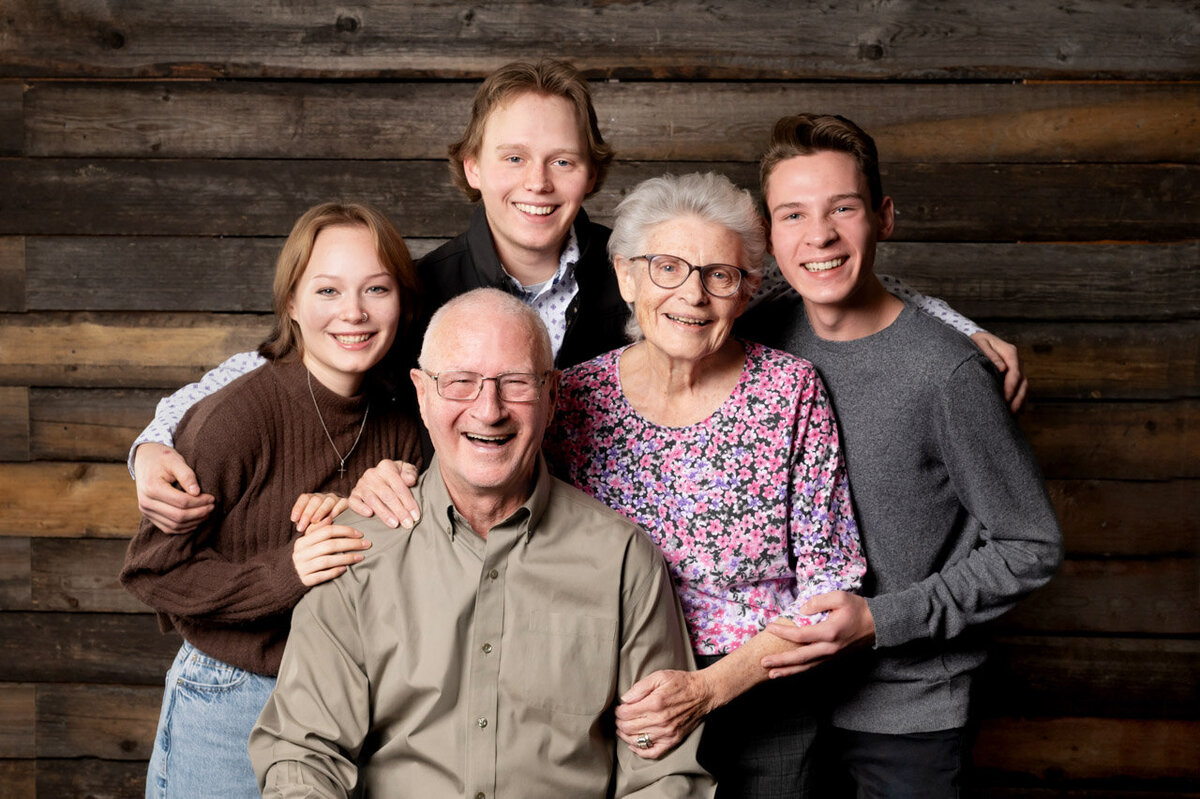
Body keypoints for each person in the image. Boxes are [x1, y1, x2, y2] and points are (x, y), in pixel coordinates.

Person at [123, 59, 1024, 538]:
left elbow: (803, 272)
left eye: (562, 159)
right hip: (461, 552)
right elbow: (291, 354)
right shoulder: (421, 286)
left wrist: (951, 323)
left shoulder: (650, 270)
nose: (537, 182)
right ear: (472, 168)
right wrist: (153, 439)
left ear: (592, 170)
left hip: (611, 564)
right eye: (512, 157)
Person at [249, 288, 714, 798]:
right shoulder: (356, 551)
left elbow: (662, 776)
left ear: (553, 395)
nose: (488, 410)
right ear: (423, 394)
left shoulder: (623, 560)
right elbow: (303, 754)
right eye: (460, 383)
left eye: (515, 383)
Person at [744, 114, 1063, 797]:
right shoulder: (759, 337)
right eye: (793, 214)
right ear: (768, 235)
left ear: (883, 217)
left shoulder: (947, 375)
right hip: (779, 706)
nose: (819, 235)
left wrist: (884, 620)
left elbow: (1030, 543)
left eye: (843, 208)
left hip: (909, 712)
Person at [540, 172, 865, 797]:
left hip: (761, 700)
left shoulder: (790, 392)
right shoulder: (573, 398)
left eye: (719, 274)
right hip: (610, 699)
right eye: (667, 266)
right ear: (626, 276)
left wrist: (708, 689)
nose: (692, 295)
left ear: (746, 292)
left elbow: (832, 584)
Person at [119, 202, 424, 798]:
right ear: (291, 303)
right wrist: (287, 570)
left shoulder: (406, 424)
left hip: (349, 704)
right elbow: (154, 572)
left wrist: (357, 512)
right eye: (328, 290)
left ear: (401, 300)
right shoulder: (239, 415)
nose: (353, 313)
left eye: (376, 289)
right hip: (233, 694)